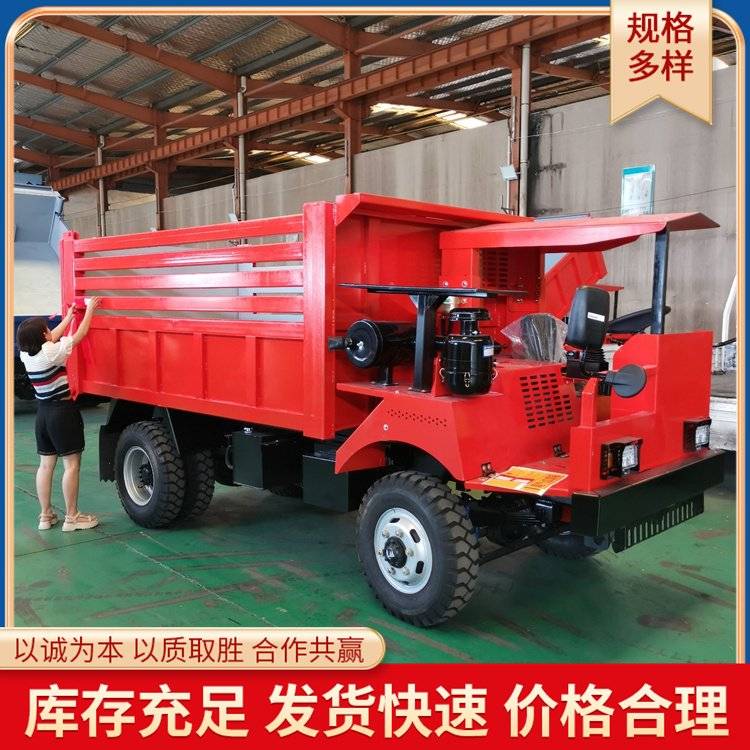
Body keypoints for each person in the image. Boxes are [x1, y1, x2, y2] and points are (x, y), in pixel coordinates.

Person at [17, 297, 102, 532]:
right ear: (43, 337)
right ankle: (72, 517)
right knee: (71, 465)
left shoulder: (26, 354)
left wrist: (69, 316)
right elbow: (80, 335)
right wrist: (90, 310)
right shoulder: (51, 353)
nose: (49, 331)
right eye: (46, 329)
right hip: (61, 413)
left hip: (42, 414)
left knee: (45, 466)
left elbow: (52, 337)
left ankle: (45, 516)